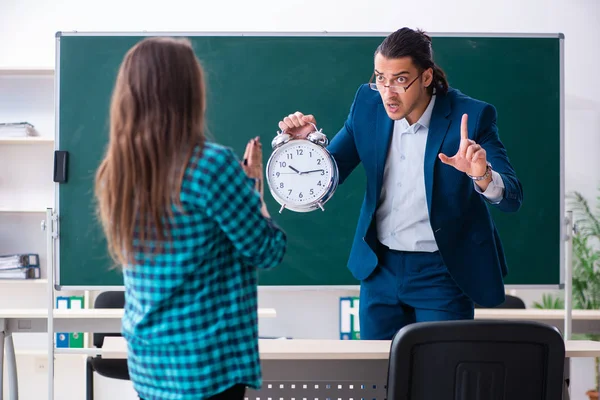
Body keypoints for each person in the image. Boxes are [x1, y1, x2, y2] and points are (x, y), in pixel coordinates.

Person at [277, 27, 523, 340]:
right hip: (380, 269)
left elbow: (512, 197)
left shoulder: (471, 117)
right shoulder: (368, 105)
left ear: (426, 77)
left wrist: (481, 174)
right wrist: (308, 147)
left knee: (438, 380)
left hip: (442, 273)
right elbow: (329, 175)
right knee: (378, 379)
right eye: (380, 78)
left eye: (400, 79)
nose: (388, 92)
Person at [94, 37, 287, 400]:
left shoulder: (115, 171)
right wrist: (253, 189)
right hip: (205, 366)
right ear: (187, 93)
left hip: (149, 361)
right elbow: (267, 249)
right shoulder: (208, 166)